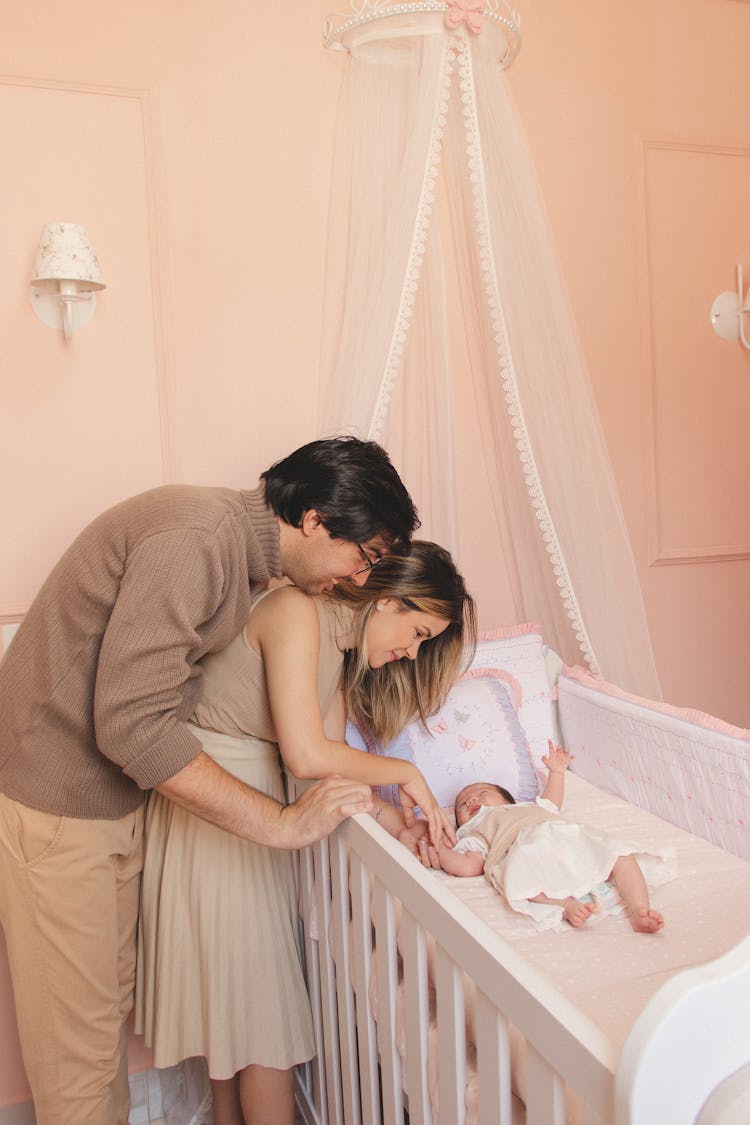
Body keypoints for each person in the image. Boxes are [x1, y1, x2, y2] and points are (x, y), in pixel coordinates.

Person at [0, 436, 420, 1125]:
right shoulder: (196, 540)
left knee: (101, 1025)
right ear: (315, 519)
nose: (358, 576)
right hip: (57, 804)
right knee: (78, 1061)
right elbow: (133, 723)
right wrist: (281, 822)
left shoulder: (240, 560)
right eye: (365, 554)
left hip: (107, 799)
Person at [135, 541, 476, 1125]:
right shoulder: (295, 610)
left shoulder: (337, 650)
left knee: (239, 1022)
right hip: (221, 810)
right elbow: (305, 756)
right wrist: (407, 773)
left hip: (251, 814)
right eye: (417, 632)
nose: (410, 652)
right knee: (263, 1027)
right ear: (387, 601)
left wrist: (400, 825)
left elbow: (334, 760)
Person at [411, 743, 675, 933]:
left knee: (618, 853)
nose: (472, 800)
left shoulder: (527, 808)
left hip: (566, 839)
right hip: (524, 851)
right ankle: (566, 905)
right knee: (522, 879)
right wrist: (440, 852)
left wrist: (557, 772)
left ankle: (639, 908)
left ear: (506, 800)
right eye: (462, 805)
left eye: (481, 793)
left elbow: (552, 801)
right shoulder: (474, 831)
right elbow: (469, 865)